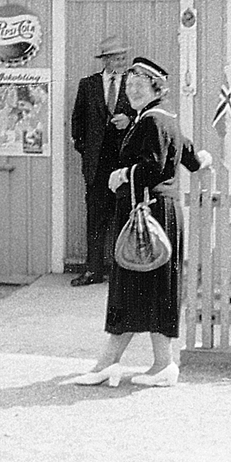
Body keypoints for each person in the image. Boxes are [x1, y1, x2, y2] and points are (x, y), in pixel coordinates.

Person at [73, 57, 211, 387]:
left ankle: (120, 364)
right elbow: (190, 158)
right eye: (130, 85)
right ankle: (156, 364)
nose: (133, 90)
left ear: (156, 88)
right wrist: (201, 159)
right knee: (149, 287)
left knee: (139, 285)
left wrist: (123, 174)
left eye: (140, 85)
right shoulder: (159, 119)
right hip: (152, 214)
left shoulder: (153, 120)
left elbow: (157, 168)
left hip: (149, 214)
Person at [70, 35, 136, 286]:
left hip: (124, 165)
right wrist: (86, 151)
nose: (121, 62)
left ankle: (122, 273)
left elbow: (144, 117)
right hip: (97, 166)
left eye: (123, 57)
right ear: (106, 60)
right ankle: (93, 270)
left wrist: (129, 122)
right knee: (96, 219)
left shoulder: (134, 83)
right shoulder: (88, 85)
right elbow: (78, 123)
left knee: (124, 217)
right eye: (116, 58)